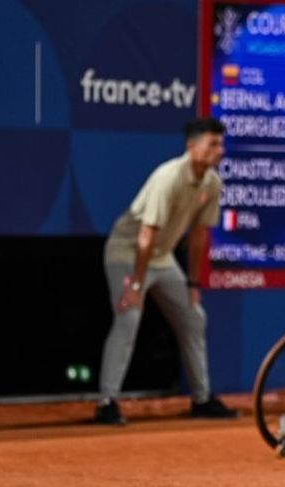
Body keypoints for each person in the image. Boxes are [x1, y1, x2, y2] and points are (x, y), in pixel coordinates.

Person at [95, 118, 237, 425]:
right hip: (127, 254)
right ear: (192, 146)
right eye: (213, 144)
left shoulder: (212, 183)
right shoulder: (168, 177)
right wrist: (135, 285)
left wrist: (192, 282)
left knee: (194, 317)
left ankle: (201, 399)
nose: (219, 150)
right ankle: (107, 401)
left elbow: (199, 235)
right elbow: (146, 236)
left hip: (162, 258)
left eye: (220, 144)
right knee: (128, 318)